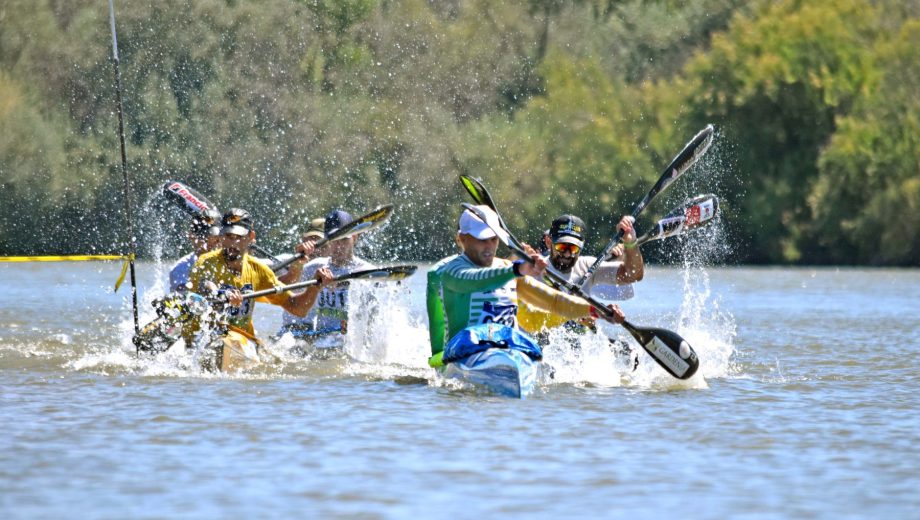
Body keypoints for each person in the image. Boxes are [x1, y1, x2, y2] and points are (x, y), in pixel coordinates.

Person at [426, 205, 625, 365]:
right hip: (463, 355)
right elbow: (474, 281)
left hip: (508, 351)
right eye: (481, 240)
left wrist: (596, 310)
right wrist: (518, 269)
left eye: (493, 239)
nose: (488, 247)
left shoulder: (506, 268)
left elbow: (555, 302)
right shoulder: (450, 271)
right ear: (462, 239)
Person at [184, 208, 334, 346]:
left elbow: (297, 308)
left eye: (239, 237)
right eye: (228, 236)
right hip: (202, 337)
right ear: (221, 237)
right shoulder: (205, 262)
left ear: (251, 237)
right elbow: (205, 286)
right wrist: (221, 294)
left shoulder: (258, 270)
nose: (232, 243)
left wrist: (315, 287)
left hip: (240, 339)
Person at [518, 214, 644, 334]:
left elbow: (633, 275)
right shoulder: (531, 269)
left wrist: (630, 242)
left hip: (574, 346)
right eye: (562, 247)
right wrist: (597, 311)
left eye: (573, 248)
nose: (567, 254)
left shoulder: (587, 266)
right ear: (548, 242)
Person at [276, 210, 374, 342]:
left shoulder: (368, 273)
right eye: (335, 239)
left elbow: (374, 322)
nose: (339, 246)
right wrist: (298, 262)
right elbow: (283, 287)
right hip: (320, 342)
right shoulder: (315, 267)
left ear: (355, 237)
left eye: (344, 239)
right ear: (327, 240)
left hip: (349, 345)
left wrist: (355, 326)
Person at [169, 209, 221, 292]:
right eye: (203, 237)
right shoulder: (179, 269)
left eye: (215, 239)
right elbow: (187, 298)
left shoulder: (233, 262)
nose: (209, 242)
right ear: (191, 236)